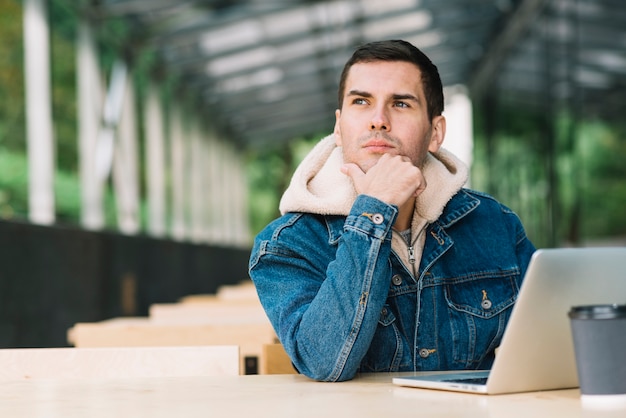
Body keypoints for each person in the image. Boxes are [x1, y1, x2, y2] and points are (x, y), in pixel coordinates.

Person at [248, 39, 536, 382]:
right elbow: (324, 362)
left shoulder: (495, 225)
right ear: (339, 128)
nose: (378, 120)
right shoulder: (286, 245)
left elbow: (552, 340)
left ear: (435, 132)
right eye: (361, 101)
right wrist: (374, 212)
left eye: (400, 103)